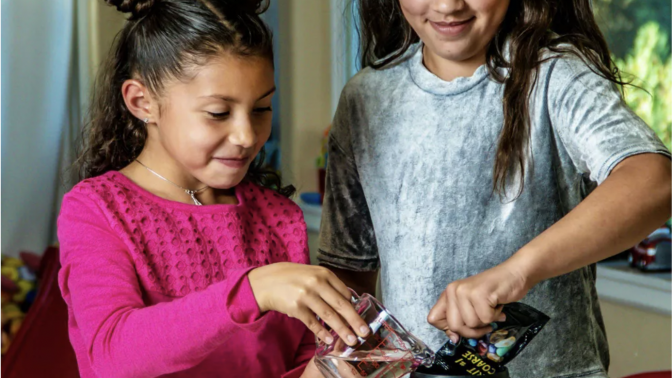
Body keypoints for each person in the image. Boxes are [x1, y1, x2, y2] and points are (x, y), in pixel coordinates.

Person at [318, 0, 671, 377]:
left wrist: (516, 272)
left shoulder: (556, 73)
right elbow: (349, 292)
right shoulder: (363, 97)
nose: (447, 5)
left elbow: (654, 180)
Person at [57, 1, 368, 377]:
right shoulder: (97, 209)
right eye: (218, 113)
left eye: (262, 108)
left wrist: (326, 369)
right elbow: (113, 355)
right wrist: (250, 291)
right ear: (142, 102)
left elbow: (299, 355)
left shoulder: (278, 217)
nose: (246, 135)